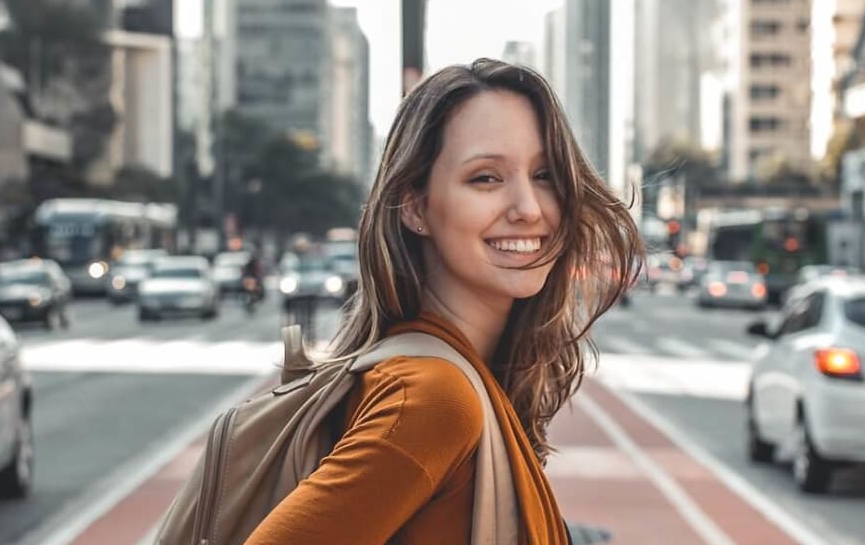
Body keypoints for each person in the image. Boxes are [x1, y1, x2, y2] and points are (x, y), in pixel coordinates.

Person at [242, 59, 641, 543]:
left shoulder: (444, 375)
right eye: (486, 178)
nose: (528, 209)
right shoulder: (434, 399)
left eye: (544, 176)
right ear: (414, 206)